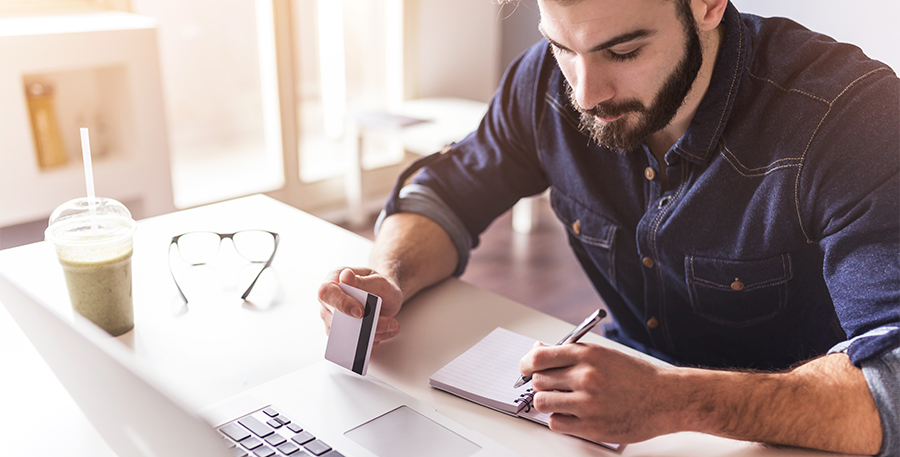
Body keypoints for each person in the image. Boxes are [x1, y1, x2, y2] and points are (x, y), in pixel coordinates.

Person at [318, 0, 900, 454]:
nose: (587, 94)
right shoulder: (547, 84)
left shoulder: (852, 118)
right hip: (613, 418)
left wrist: (676, 400)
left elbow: (892, 382)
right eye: (562, 48)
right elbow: (445, 190)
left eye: (622, 52)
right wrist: (388, 273)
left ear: (706, 7)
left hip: (799, 436)